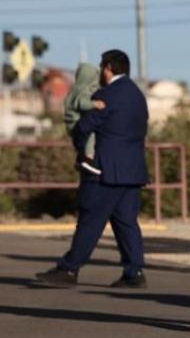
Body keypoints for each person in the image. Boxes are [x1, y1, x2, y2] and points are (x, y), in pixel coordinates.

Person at [36, 50, 150, 288]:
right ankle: (134, 271)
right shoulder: (137, 95)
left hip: (104, 170)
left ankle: (69, 269)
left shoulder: (106, 95)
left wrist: (81, 148)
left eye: (102, 67)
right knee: (126, 221)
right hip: (132, 170)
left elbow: (84, 126)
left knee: (90, 220)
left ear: (108, 68)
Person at [63, 62, 106, 175]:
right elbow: (82, 103)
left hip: (71, 124)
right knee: (91, 133)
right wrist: (95, 104)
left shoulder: (74, 90)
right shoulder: (83, 91)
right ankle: (89, 160)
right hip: (76, 123)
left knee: (81, 142)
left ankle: (80, 160)